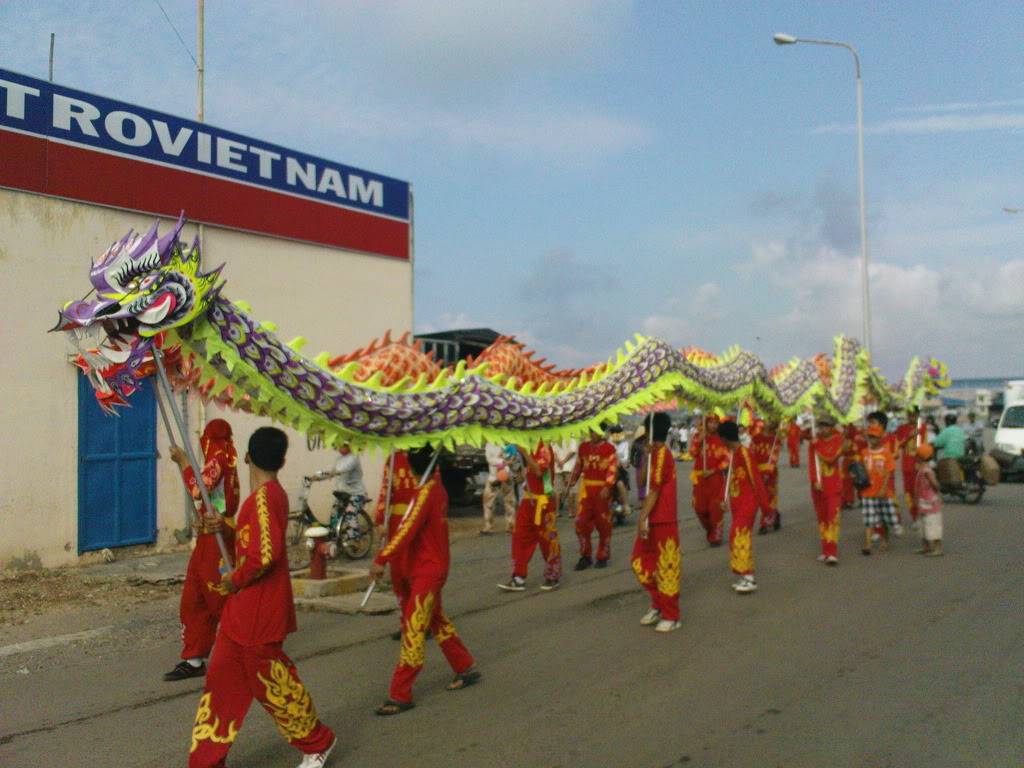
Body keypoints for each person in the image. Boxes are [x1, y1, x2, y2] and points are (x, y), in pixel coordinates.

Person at [188, 427, 335, 768]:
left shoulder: (267, 497)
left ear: (248, 457)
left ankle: (318, 741)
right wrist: (222, 527)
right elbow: (251, 540)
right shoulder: (265, 497)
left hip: (260, 611)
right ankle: (206, 760)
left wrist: (233, 580)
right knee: (221, 683)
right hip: (241, 612)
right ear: (281, 460)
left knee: (274, 687)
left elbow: (264, 555)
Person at [370, 446, 480, 715]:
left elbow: (406, 530)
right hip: (427, 567)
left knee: (413, 627)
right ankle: (464, 666)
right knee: (435, 619)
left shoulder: (425, 493)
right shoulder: (434, 490)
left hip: (428, 570)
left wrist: (382, 558)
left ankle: (400, 693)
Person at [165, 418, 239, 682]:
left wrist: (184, 462)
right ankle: (194, 658)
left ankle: (244, 648)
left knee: (219, 597)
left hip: (217, 539)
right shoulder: (224, 457)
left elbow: (199, 489)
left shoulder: (219, 457)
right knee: (194, 597)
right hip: (207, 536)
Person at [631, 413, 682, 632]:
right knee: (639, 561)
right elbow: (641, 481)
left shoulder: (663, 455)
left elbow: (655, 489)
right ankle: (658, 603)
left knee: (667, 567)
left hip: (663, 518)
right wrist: (644, 457)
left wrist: (642, 517)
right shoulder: (653, 455)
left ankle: (672, 614)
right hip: (652, 517)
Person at [498, 441, 561, 592]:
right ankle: (518, 577)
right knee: (520, 537)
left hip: (543, 501)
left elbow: (539, 471)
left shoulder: (544, 447)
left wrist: (524, 452)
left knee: (547, 539)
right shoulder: (525, 445)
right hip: (528, 499)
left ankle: (553, 575)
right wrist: (515, 472)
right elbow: (524, 477)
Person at [718, 421, 771, 594]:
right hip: (737, 504)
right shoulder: (733, 454)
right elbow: (730, 480)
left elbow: (756, 481)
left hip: (748, 504)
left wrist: (765, 508)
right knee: (737, 537)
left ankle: (749, 577)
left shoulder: (745, 454)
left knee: (739, 536)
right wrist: (724, 498)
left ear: (725, 438)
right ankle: (743, 575)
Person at [568, 424, 617, 570]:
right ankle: (585, 555)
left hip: (602, 492)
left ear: (602, 432)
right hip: (586, 491)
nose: (592, 434)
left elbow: (612, 469)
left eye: (595, 431)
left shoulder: (609, 449)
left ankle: (602, 556)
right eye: (590, 431)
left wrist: (607, 486)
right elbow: (578, 466)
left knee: (603, 525)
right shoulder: (583, 447)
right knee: (580, 523)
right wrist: (572, 480)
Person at [859, 412, 899, 555]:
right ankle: (868, 544)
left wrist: (883, 488)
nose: (872, 439)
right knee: (869, 519)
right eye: (870, 436)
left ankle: (884, 539)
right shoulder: (864, 452)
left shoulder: (886, 452)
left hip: (883, 492)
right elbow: (861, 469)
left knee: (883, 519)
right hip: (868, 492)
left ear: (880, 437)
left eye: (874, 437)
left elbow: (889, 471)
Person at [808, 415, 844, 565]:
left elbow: (831, 459)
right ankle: (825, 550)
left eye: (826, 426)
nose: (823, 429)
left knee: (832, 518)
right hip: (818, 487)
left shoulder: (837, 440)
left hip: (833, 486)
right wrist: (815, 481)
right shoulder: (815, 442)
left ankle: (832, 551)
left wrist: (817, 447)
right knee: (822, 519)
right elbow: (811, 464)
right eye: (820, 426)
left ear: (832, 427)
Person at [690, 413, 729, 546]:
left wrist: (713, 470)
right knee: (699, 509)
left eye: (715, 422)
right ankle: (711, 530)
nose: (713, 425)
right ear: (705, 423)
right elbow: (692, 453)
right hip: (700, 479)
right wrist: (700, 439)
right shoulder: (699, 437)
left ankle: (716, 536)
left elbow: (727, 460)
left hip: (716, 479)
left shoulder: (722, 439)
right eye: (710, 422)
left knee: (715, 508)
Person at [893, 410, 926, 527]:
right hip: (907, 464)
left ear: (917, 415)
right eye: (910, 414)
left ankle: (919, 516)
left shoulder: (922, 427)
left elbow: (925, 446)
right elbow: (898, 444)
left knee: (918, 492)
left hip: (919, 464)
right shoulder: (902, 428)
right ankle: (911, 517)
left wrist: (922, 460)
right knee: (908, 492)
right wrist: (909, 436)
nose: (912, 417)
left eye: (914, 415)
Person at [750, 419, 782, 534]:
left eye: (771, 421)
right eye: (767, 420)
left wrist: (768, 473)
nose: (768, 422)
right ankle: (775, 515)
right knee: (760, 497)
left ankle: (764, 523)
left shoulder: (776, 440)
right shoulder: (756, 438)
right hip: (757, 471)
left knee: (770, 496)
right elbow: (751, 454)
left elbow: (774, 457)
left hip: (770, 472)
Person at [914, 443, 944, 556]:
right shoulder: (923, 469)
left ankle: (937, 548)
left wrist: (938, 493)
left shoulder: (926, 470)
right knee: (923, 525)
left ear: (921, 457)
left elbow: (934, 484)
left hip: (930, 502)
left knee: (933, 524)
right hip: (923, 501)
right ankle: (926, 546)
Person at [481, 442, 516, 534]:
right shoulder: (489, 444)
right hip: (494, 476)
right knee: (488, 502)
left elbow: (513, 456)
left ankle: (511, 525)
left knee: (510, 501)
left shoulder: (507, 442)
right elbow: (489, 459)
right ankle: (488, 526)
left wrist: (508, 461)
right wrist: (502, 462)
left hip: (506, 475)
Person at [609, 425, 633, 523]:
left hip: (621, 470)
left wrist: (622, 462)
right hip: (609, 471)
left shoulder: (625, 444)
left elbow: (626, 458)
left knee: (621, 484)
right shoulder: (608, 443)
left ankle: (626, 505)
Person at [552, 438, 579, 516]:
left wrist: (559, 462)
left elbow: (553, 452)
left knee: (557, 490)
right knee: (571, 489)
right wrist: (563, 461)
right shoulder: (572, 436)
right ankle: (570, 511)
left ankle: (557, 511)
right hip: (569, 466)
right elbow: (573, 451)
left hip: (557, 466)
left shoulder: (555, 436)